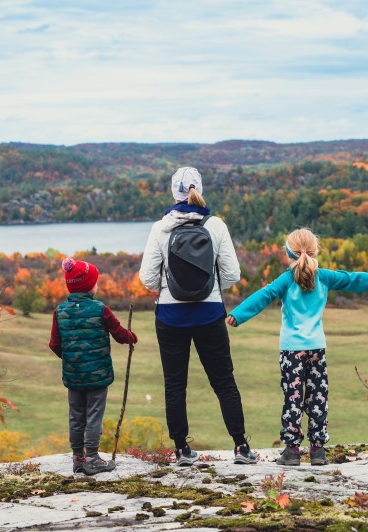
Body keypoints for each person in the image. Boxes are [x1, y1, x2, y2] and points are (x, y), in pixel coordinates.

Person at [226, 228, 368, 466]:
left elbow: (264, 295)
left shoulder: (286, 279)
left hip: (291, 351)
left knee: (292, 397)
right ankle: (318, 451)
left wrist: (238, 315)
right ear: (315, 252)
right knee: (318, 398)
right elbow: (354, 279)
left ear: (287, 253)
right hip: (317, 349)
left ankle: (292, 452)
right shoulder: (324, 277)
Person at [139, 167, 258, 466]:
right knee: (224, 381)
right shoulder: (216, 225)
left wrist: (168, 288)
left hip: (170, 316)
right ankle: (241, 447)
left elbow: (147, 279)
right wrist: (210, 286)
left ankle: (181, 450)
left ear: (173, 192)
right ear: (199, 190)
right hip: (209, 314)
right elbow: (232, 274)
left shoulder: (160, 228)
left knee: (175, 384)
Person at [49, 257, 138, 475]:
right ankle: (92, 459)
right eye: (95, 282)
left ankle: (78, 459)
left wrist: (72, 359)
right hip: (98, 376)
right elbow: (119, 334)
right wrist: (131, 337)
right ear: (89, 286)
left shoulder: (60, 311)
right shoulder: (101, 309)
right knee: (94, 415)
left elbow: (54, 344)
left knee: (76, 414)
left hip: (74, 375)